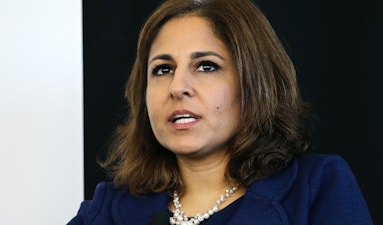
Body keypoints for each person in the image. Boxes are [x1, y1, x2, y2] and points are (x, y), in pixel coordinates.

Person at [68, 0, 373, 224]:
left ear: (253, 84)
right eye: (162, 69)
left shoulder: (318, 187)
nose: (178, 87)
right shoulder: (107, 208)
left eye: (206, 66)